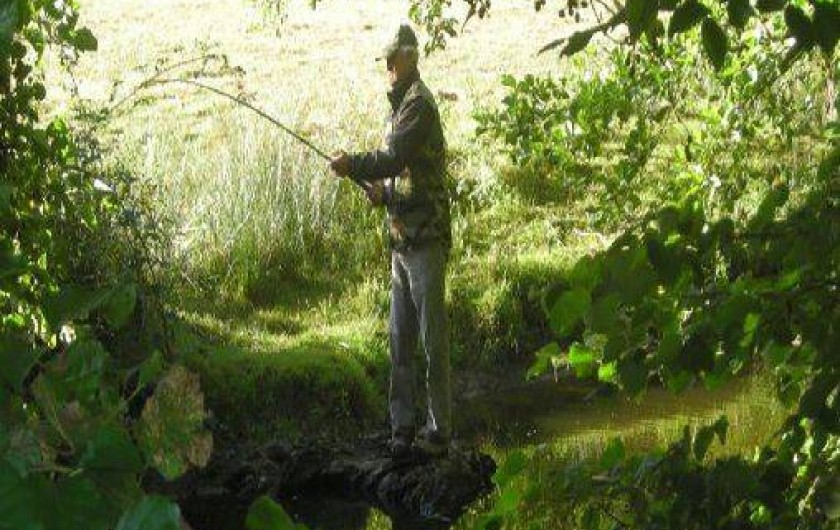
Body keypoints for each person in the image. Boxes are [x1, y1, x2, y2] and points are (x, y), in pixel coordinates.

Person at [329, 23, 452, 458]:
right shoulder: (399, 106)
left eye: (391, 59)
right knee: (399, 342)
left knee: (431, 343)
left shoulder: (418, 105)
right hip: (401, 240)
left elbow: (393, 157)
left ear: (409, 58)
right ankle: (402, 429)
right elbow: (402, 172)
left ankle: (438, 432)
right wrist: (384, 194)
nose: (387, 67)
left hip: (426, 238)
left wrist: (353, 164)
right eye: (385, 61)